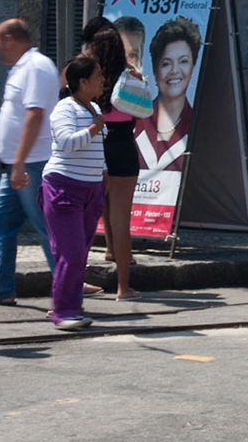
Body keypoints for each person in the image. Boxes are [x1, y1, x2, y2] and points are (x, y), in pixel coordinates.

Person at [0, 19, 57, 306]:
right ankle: (2, 289)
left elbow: (34, 115)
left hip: (31, 164)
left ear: (11, 38)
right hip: (17, 165)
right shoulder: (22, 68)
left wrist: (20, 162)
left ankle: (67, 292)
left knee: (47, 227)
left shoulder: (35, 66)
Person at [44, 53, 107, 332]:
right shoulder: (64, 109)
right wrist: (95, 128)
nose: (103, 81)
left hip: (91, 190)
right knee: (70, 252)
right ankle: (64, 311)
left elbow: (97, 151)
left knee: (78, 253)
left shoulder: (94, 107)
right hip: (63, 188)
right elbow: (67, 142)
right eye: (98, 76)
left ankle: (67, 304)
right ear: (82, 82)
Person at [79, 17, 137, 299]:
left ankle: (77, 280)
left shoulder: (89, 81)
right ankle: (123, 288)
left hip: (95, 148)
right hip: (124, 146)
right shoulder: (132, 77)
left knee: (88, 218)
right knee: (120, 222)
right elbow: (140, 113)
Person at [137, 18, 201, 174]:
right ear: (154, 70)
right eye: (166, 63)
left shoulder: (200, 127)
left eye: (183, 61)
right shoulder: (135, 121)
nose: (175, 70)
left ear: (192, 68)